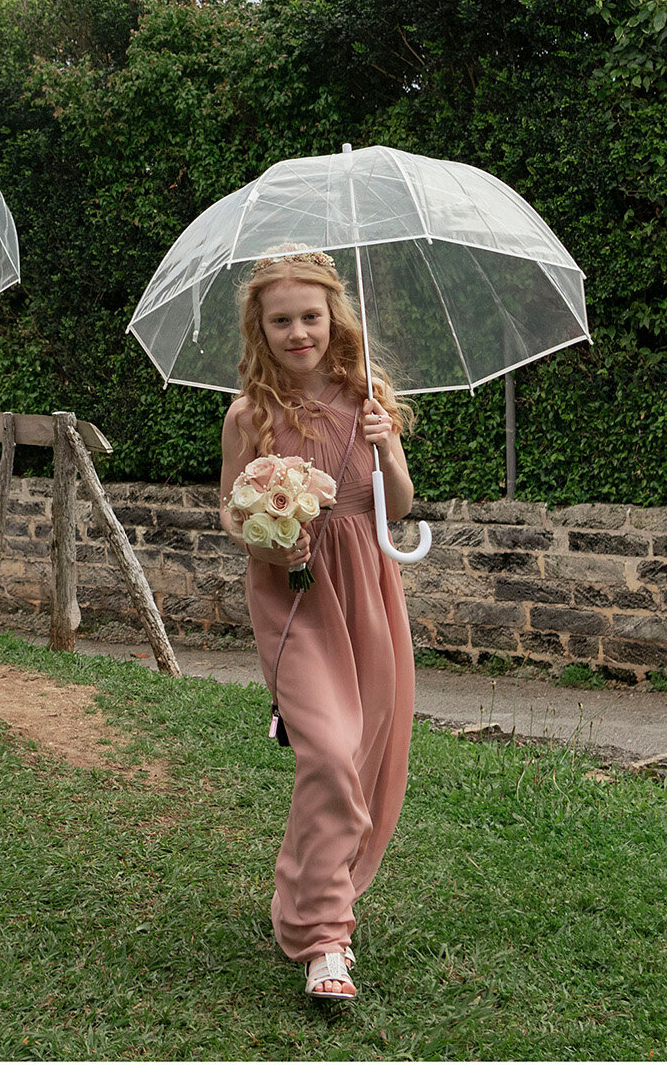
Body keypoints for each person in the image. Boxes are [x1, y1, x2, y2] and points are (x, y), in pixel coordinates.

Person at [217, 247, 416, 1003]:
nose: (298, 331)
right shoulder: (249, 415)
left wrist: (386, 442)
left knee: (359, 757)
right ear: (259, 330)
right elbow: (232, 512)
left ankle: (303, 899)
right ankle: (323, 938)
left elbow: (394, 506)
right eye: (281, 320)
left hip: (367, 587)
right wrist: (272, 535)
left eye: (310, 315)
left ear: (335, 316)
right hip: (294, 594)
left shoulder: (369, 395)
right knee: (329, 750)